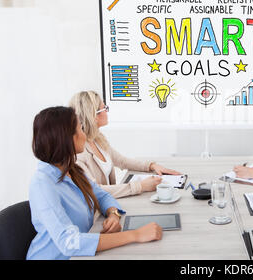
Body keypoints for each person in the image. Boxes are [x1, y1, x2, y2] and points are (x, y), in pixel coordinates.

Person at [27, 106, 163, 260]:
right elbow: (69, 242)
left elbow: (102, 196)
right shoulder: (42, 184)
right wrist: (135, 235)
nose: (85, 136)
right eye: (80, 129)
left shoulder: (73, 170)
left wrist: (113, 214)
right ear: (66, 138)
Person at [69, 91, 181, 199]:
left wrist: (151, 166)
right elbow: (94, 191)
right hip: (98, 212)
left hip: (110, 203)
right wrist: (141, 186)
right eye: (105, 108)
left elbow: (122, 161)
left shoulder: (97, 138)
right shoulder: (78, 153)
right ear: (94, 115)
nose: (107, 111)